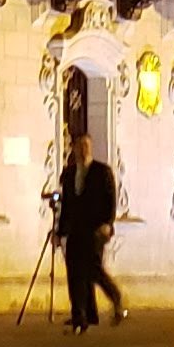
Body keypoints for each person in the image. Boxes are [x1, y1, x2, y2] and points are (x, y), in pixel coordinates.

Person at [55, 133, 119, 330]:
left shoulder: (102, 172)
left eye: (87, 146)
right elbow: (66, 204)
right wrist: (60, 232)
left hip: (95, 230)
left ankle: (116, 298)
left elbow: (111, 200)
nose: (84, 150)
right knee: (74, 272)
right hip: (75, 229)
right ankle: (81, 315)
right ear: (74, 148)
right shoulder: (69, 174)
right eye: (80, 146)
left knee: (92, 269)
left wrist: (107, 223)